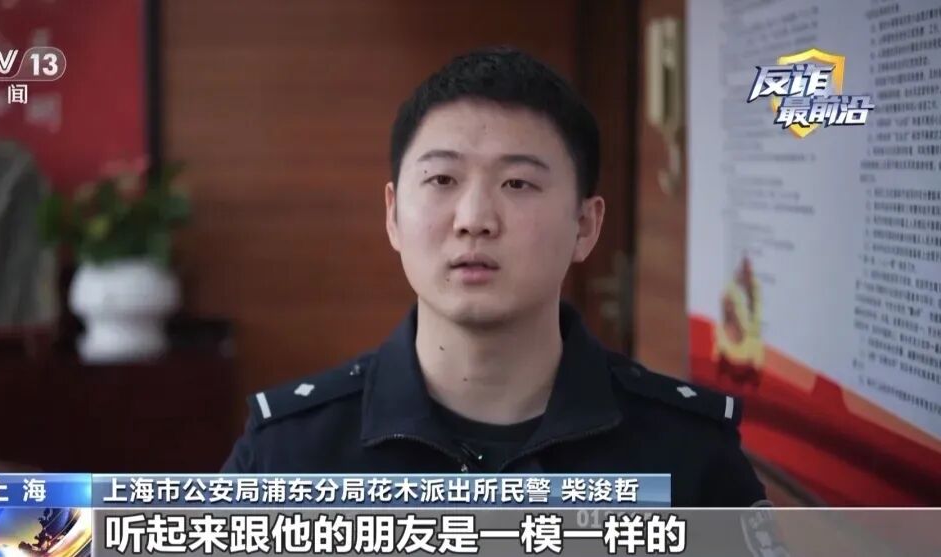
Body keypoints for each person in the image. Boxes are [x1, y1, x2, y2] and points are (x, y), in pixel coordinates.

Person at [222, 46, 767, 506]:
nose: (474, 219)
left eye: (518, 184)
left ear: (585, 225)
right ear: (393, 215)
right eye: (442, 179)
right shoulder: (286, 456)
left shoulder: (688, 457)